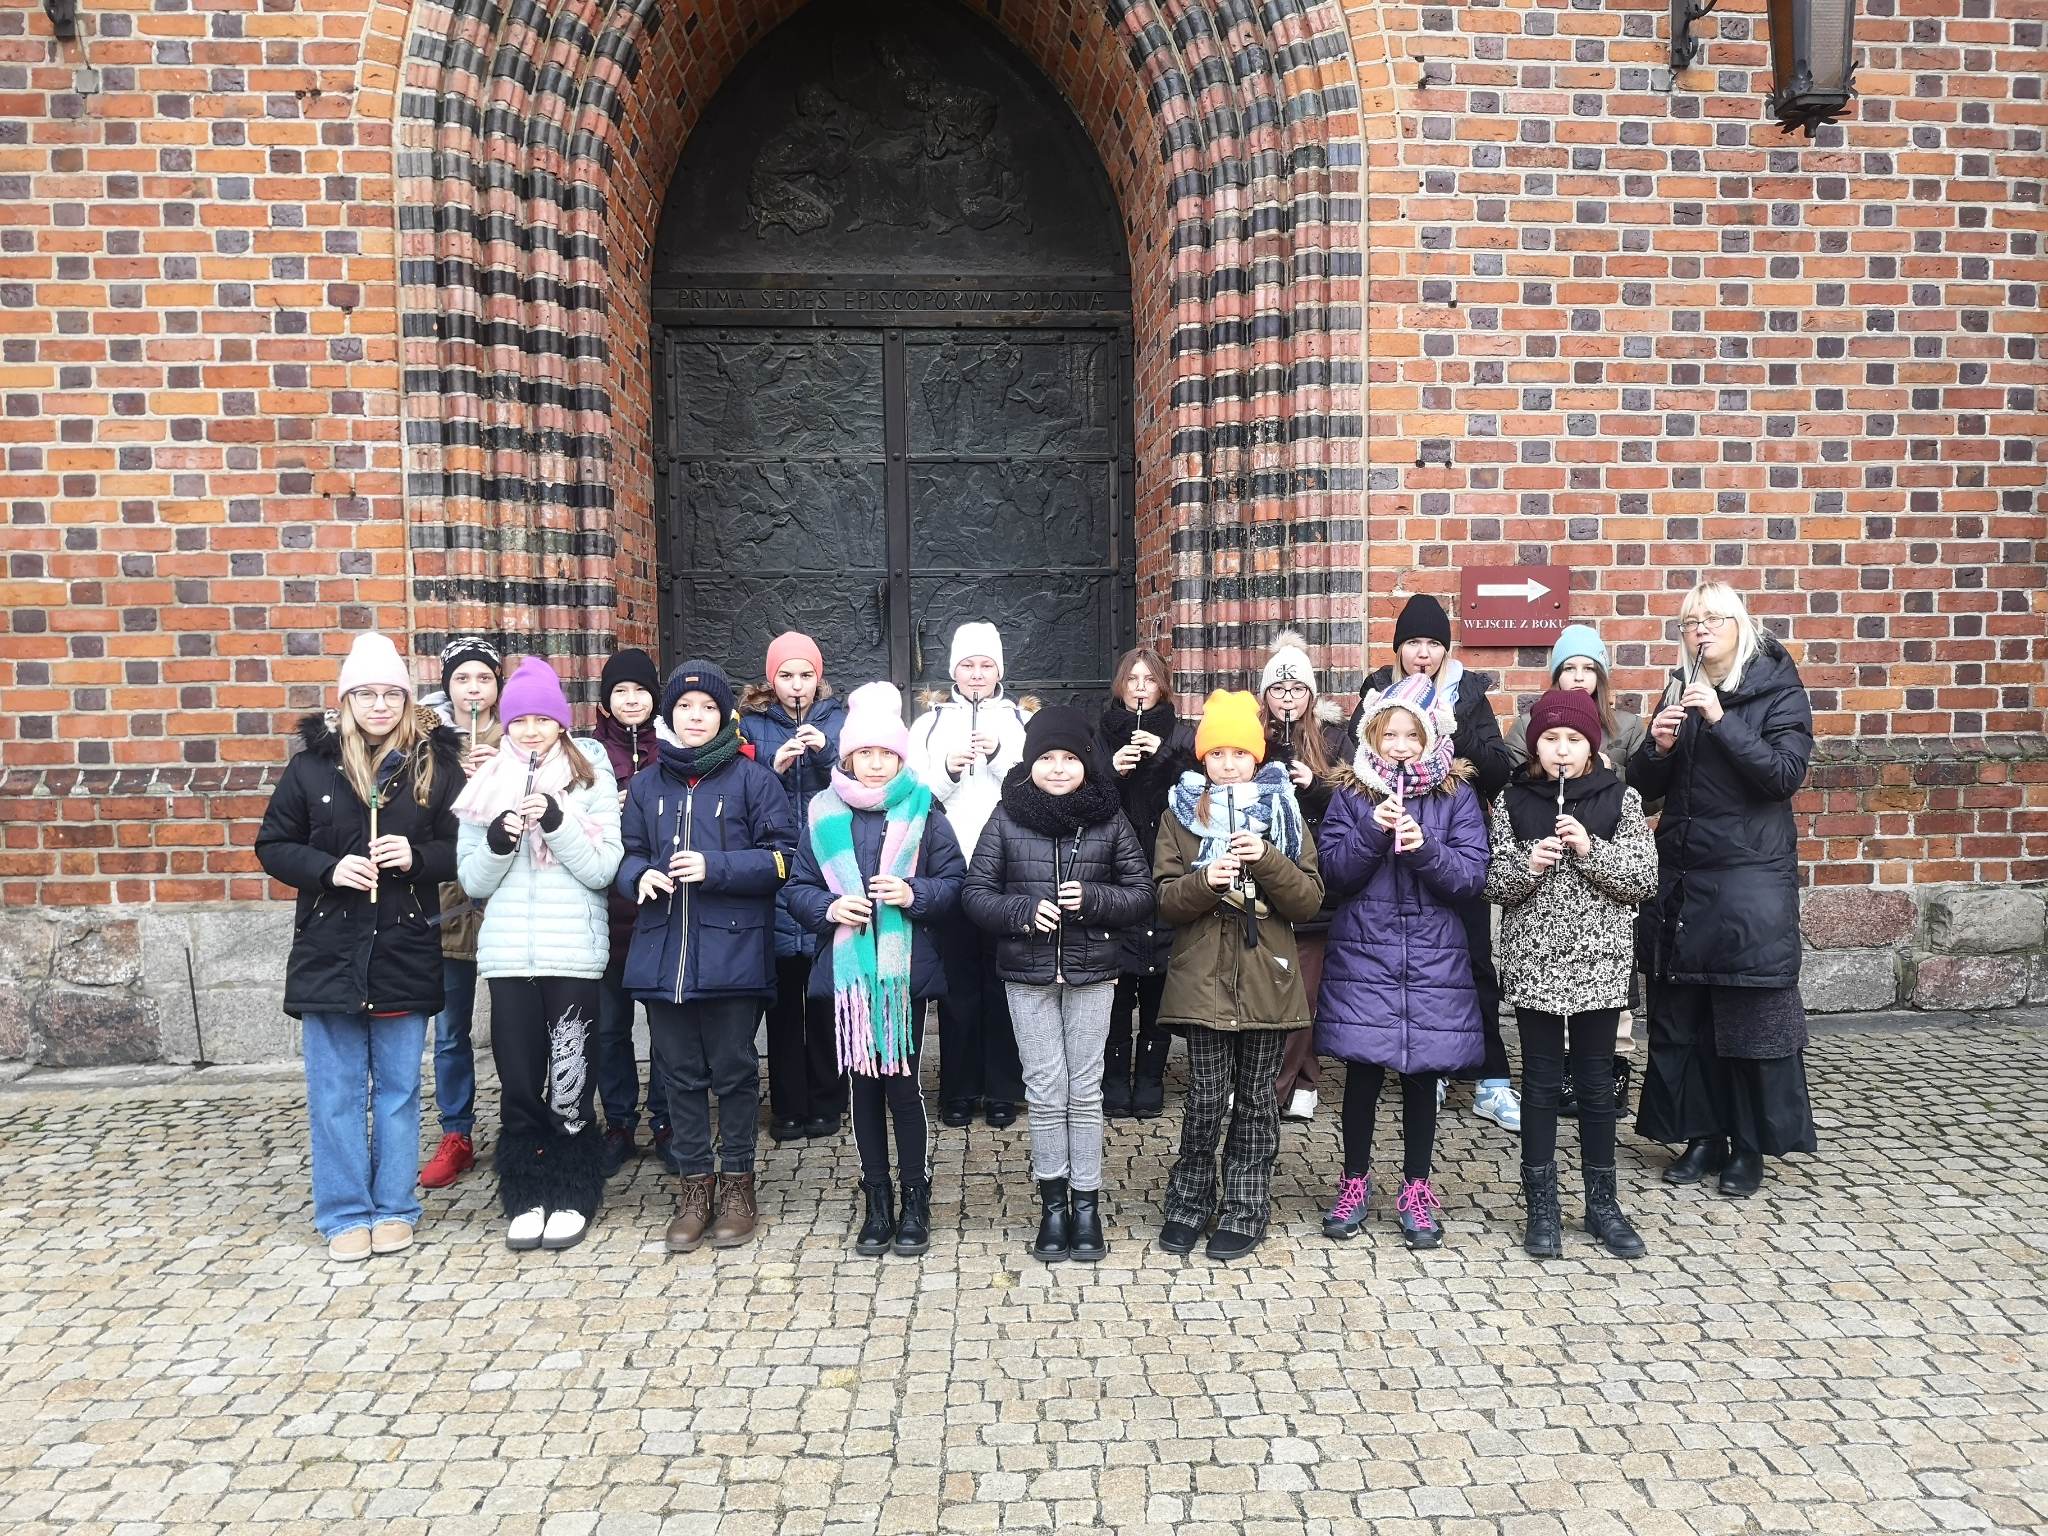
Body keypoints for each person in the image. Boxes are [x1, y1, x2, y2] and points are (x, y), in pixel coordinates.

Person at [256, 633, 465, 1261]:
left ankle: (396, 1204)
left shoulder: (432, 765)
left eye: (391, 693)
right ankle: (346, 1211)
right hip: (330, 950)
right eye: (366, 694)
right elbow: (274, 845)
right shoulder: (311, 768)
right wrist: (327, 869)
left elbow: (464, 848)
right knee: (337, 1091)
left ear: (406, 699)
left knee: (399, 1089)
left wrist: (418, 856)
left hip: (403, 945)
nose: (379, 705)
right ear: (346, 700)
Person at [1631, 581, 1818, 1197]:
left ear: (1739, 625)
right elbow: (1645, 789)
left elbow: (1782, 777)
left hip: (1747, 884)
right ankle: (1701, 1136)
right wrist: (1657, 749)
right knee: (1686, 1020)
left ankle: (1748, 1147)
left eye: (1711, 619)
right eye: (1689, 622)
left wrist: (1719, 719)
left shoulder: (1777, 688)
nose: (1700, 630)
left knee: (1747, 1021)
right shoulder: (1677, 686)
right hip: (1683, 879)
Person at [962, 706, 1154, 1264]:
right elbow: (976, 894)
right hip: (1028, 973)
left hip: (1093, 972)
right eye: (1047, 757)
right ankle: (1053, 1205)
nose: (1058, 768)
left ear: (1086, 762)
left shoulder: (1108, 817)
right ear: (1031, 761)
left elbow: (1142, 892)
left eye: (1069, 758)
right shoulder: (1006, 816)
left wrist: (1094, 902)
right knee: (1046, 1090)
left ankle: (1087, 1204)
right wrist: (1024, 912)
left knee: (1086, 1089)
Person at [617, 661, 796, 1252]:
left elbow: (783, 859)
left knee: (735, 1070)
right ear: (670, 714)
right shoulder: (646, 785)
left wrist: (715, 867)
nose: (696, 718)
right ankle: (696, 1186)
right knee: (678, 1075)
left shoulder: (754, 779)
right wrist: (637, 876)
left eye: (708, 709)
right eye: (686, 708)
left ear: (725, 717)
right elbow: (627, 855)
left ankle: (738, 1183)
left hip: (733, 953)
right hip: (662, 954)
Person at [785, 683, 965, 1258]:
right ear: (848, 756)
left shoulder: (925, 810)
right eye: (866, 754)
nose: (876, 763)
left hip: (903, 972)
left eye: (886, 753)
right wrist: (829, 907)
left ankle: (915, 1194)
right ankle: (877, 1197)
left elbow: (955, 883)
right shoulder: (821, 812)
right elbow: (798, 887)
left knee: (903, 1084)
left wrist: (913, 893)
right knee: (862, 1086)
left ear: (900, 757)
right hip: (849, 974)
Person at [1314, 675, 1490, 1249]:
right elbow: (1334, 873)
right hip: (1368, 951)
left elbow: (1470, 878)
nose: (1400, 745)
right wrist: (1372, 831)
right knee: (1363, 1073)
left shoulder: (1454, 795)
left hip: (1433, 957)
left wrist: (1425, 848)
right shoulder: (1353, 794)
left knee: (1422, 1075)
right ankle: (1354, 1180)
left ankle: (1416, 1186)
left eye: (1412, 734)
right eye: (1389, 733)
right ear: (1371, 736)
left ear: (1432, 736)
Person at [454, 657, 623, 1252]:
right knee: (520, 1078)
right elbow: (473, 881)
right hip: (508, 955)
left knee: (571, 1079)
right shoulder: (484, 784)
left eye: (541, 719)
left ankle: (574, 1188)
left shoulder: (591, 775)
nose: (529, 730)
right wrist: (499, 842)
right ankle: (525, 1190)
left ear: (560, 722)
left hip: (572, 950)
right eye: (518, 719)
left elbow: (603, 868)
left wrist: (556, 821)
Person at [1487, 689, 1658, 1259]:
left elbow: (1641, 877)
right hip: (1534, 959)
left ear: (1592, 746)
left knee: (1594, 1084)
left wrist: (1590, 850)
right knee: (1537, 1082)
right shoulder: (1512, 801)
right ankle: (1541, 1205)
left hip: (1598, 962)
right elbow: (1494, 883)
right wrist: (1527, 866)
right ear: (1535, 744)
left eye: (1575, 740)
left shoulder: (1620, 798)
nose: (1562, 750)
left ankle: (1602, 1204)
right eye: (1551, 739)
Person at [1155, 691, 1324, 1263]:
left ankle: (1246, 1205)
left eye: (1238, 753)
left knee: (1255, 1101)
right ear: (1203, 758)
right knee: (1205, 1100)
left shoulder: (1284, 813)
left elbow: (1307, 899)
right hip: (1202, 982)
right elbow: (1165, 899)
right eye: (1217, 753)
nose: (1228, 763)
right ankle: (1189, 1201)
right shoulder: (1180, 814)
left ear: (1257, 758)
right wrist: (1207, 881)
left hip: (1266, 980)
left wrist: (1267, 860)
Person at [1356, 595, 1519, 1132]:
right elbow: (1355, 762)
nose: (1422, 654)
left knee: (1472, 963)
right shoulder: (1378, 688)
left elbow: (1497, 770)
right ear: (1398, 648)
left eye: (1432, 645)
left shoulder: (1469, 693)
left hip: (1453, 841)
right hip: (1389, 854)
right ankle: (1430, 1067)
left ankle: (1492, 1078)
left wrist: (1455, 728)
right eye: (1413, 644)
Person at [1505, 623, 1653, 1117]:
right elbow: (1495, 864)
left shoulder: (1626, 729)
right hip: (1539, 930)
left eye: (1589, 668)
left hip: (1601, 916)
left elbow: (1642, 834)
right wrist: (1529, 863)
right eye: (1569, 667)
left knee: (1608, 1025)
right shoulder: (1528, 745)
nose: (1579, 677)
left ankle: (1608, 1084)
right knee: (1546, 1046)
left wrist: (1594, 842)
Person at [908, 622, 1031, 1130]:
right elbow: (913, 796)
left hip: (1008, 870)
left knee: (1004, 981)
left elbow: (1035, 788)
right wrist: (948, 771)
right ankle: (957, 1089)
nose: (977, 674)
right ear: (953, 669)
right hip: (951, 865)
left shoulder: (1021, 721)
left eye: (986, 665)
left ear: (999, 670)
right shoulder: (929, 724)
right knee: (958, 985)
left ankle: (1003, 1088)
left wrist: (1001, 757)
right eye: (967, 665)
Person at [739, 632, 849, 1144]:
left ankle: (829, 1098)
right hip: (777, 869)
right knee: (783, 1001)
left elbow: (858, 782)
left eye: (805, 675)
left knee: (826, 996)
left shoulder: (839, 722)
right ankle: (787, 1102)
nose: (796, 684)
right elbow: (740, 789)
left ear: (818, 678)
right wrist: (771, 766)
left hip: (828, 867)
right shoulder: (751, 725)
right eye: (786, 675)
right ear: (771, 679)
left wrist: (826, 756)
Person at [1095, 647, 1195, 1119]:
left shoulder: (1180, 734)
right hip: (1114, 868)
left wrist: (1168, 757)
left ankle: (1151, 1074)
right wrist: (1112, 769)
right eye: (1131, 678)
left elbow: (1199, 794)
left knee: (1157, 972)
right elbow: (1087, 794)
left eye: (1148, 679)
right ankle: (1114, 1074)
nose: (1139, 686)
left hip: (1164, 864)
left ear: (1162, 686)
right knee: (1117, 977)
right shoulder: (1101, 732)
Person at [584, 646, 673, 1177]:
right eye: (621, 691)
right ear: (606, 701)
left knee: (665, 1029)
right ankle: (617, 1121)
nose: (632, 699)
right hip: (605, 912)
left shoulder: (672, 749)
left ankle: (665, 1120)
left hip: (659, 909)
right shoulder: (587, 755)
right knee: (610, 1026)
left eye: (640, 690)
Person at [421, 635, 502, 1191]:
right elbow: (417, 814)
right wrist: (457, 780)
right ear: (448, 685)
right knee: (451, 1028)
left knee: (520, 1024)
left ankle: (530, 1118)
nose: (473, 690)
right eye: (462, 680)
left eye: (483, 679)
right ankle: (457, 1132)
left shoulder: (522, 733)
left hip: (505, 900)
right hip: (448, 901)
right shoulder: (428, 743)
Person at [1258, 630, 1349, 1123]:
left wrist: (1313, 787)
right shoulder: (1257, 739)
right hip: (1269, 875)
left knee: (1306, 989)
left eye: (1296, 689)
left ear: (1311, 695)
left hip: (1317, 878)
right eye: (1278, 689)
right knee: (1274, 984)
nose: (1287, 697)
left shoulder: (1334, 739)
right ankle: (1302, 1079)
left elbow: (1354, 805)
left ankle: (1283, 1085)